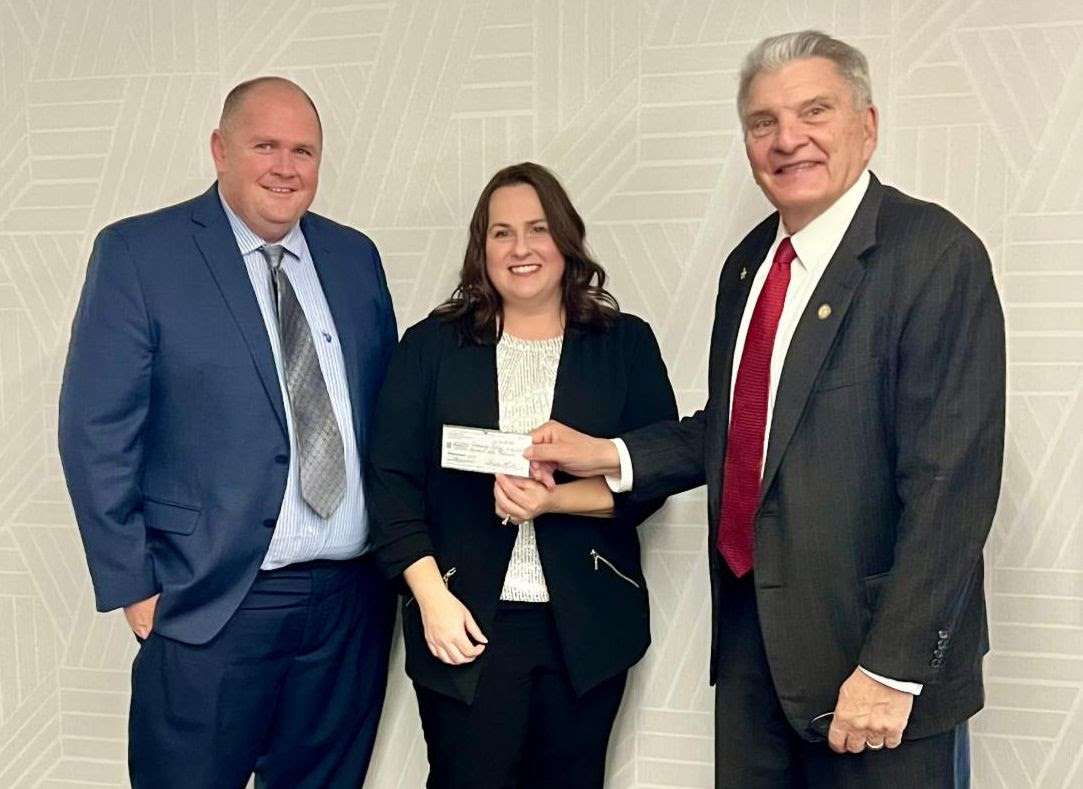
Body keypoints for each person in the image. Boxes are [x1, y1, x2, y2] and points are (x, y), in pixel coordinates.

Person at [526, 30, 1005, 788]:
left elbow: (954, 483)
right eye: (761, 122)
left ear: (866, 124)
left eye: (813, 111)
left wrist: (892, 668)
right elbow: (743, 430)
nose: (787, 139)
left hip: (875, 667)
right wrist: (607, 455)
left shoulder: (933, 254)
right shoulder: (748, 263)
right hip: (755, 653)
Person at [58, 77, 397, 788]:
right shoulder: (140, 255)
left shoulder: (353, 257)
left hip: (348, 606)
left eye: (303, 150)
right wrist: (134, 585)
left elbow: (385, 417)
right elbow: (96, 429)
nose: (285, 166)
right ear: (219, 149)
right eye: (264, 145)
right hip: (211, 601)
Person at [366, 162, 677, 788]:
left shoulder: (625, 344)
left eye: (537, 229)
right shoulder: (432, 346)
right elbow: (390, 481)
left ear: (566, 239)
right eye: (501, 233)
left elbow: (653, 472)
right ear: (481, 250)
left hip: (587, 631)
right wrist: (432, 601)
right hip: (464, 621)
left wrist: (554, 501)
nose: (521, 248)